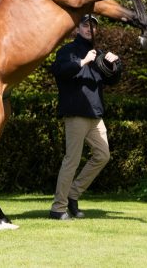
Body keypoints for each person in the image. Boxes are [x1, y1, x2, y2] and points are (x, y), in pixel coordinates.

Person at [49, 14, 122, 220]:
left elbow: (112, 80)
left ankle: (73, 194)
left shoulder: (99, 54)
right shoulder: (67, 51)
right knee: (71, 161)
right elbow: (59, 71)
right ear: (77, 28)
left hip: (95, 115)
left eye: (93, 26)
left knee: (103, 155)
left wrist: (115, 64)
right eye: (86, 25)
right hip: (76, 114)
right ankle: (58, 208)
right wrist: (82, 61)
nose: (90, 29)